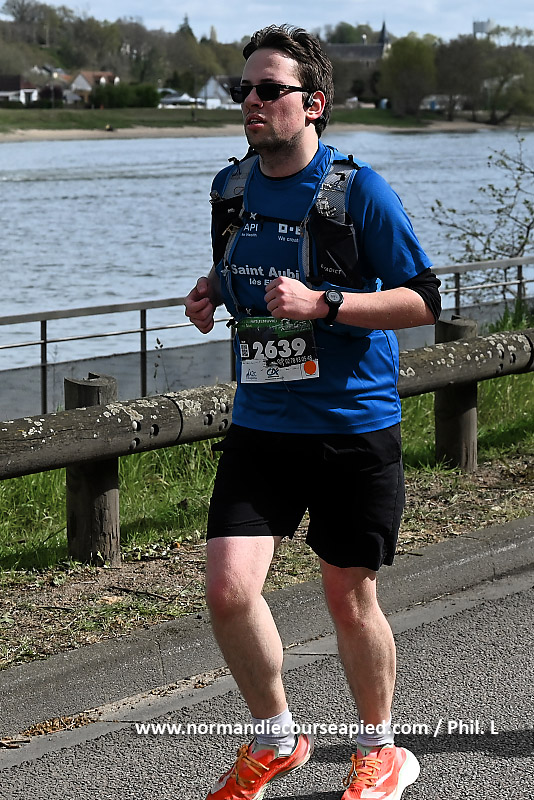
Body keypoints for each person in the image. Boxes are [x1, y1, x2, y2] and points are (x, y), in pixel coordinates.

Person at [184, 24, 441, 800]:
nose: (251, 102)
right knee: (228, 591)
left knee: (348, 599)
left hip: (351, 425)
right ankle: (276, 739)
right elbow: (243, 268)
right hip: (263, 424)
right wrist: (212, 290)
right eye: (244, 89)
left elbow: (423, 300)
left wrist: (326, 303)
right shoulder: (231, 189)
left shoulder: (360, 192)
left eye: (270, 90)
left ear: (314, 104)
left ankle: (380, 750)